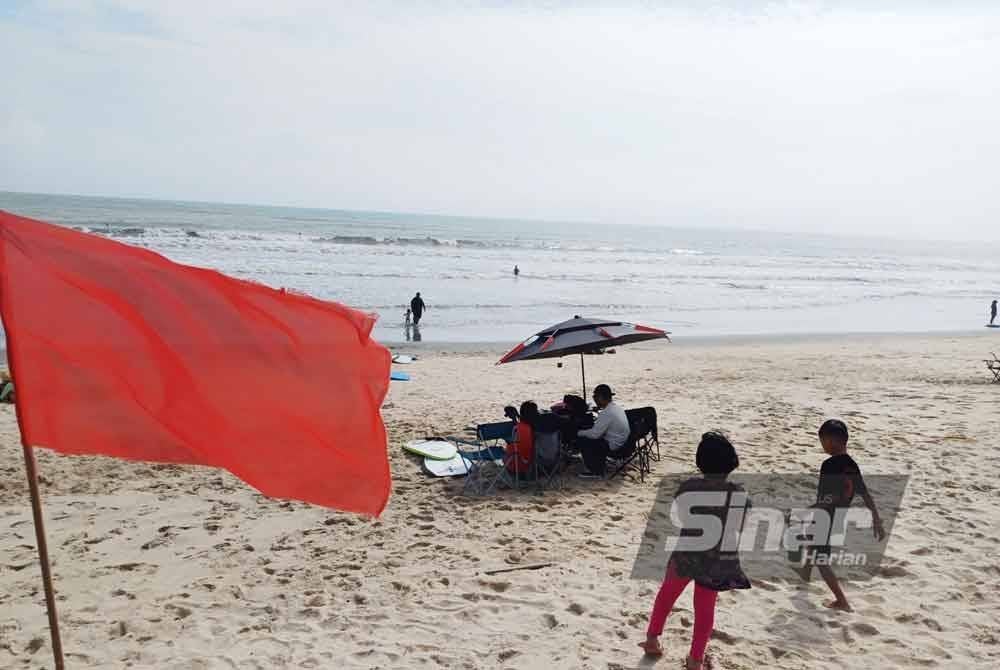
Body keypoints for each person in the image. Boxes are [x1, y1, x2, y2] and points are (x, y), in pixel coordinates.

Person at [640, 432, 750, 667]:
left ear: (700, 462)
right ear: (731, 462)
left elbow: (681, 517)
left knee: (666, 596)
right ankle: (695, 659)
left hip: (685, 553)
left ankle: (651, 639)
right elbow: (739, 526)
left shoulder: (688, 487)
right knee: (704, 610)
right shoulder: (737, 493)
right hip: (715, 559)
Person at [797, 419, 885, 611]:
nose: (822, 445)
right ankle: (805, 573)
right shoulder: (852, 465)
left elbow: (828, 497)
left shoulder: (829, 465)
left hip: (825, 515)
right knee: (813, 543)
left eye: (822, 441)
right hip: (838, 516)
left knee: (821, 559)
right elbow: (864, 493)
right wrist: (876, 519)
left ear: (831, 441)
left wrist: (810, 510)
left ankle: (841, 601)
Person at [575, 384, 630, 479]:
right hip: (624, 443)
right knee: (590, 434)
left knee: (584, 440)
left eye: (595, 397)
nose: (594, 399)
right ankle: (598, 465)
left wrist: (579, 432)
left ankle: (595, 471)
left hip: (614, 445)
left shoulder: (607, 412)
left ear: (600, 397)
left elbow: (595, 435)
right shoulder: (616, 408)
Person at [504, 401, 538, 475]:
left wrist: (514, 418)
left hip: (514, 469)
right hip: (530, 467)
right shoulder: (535, 430)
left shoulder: (517, 428)